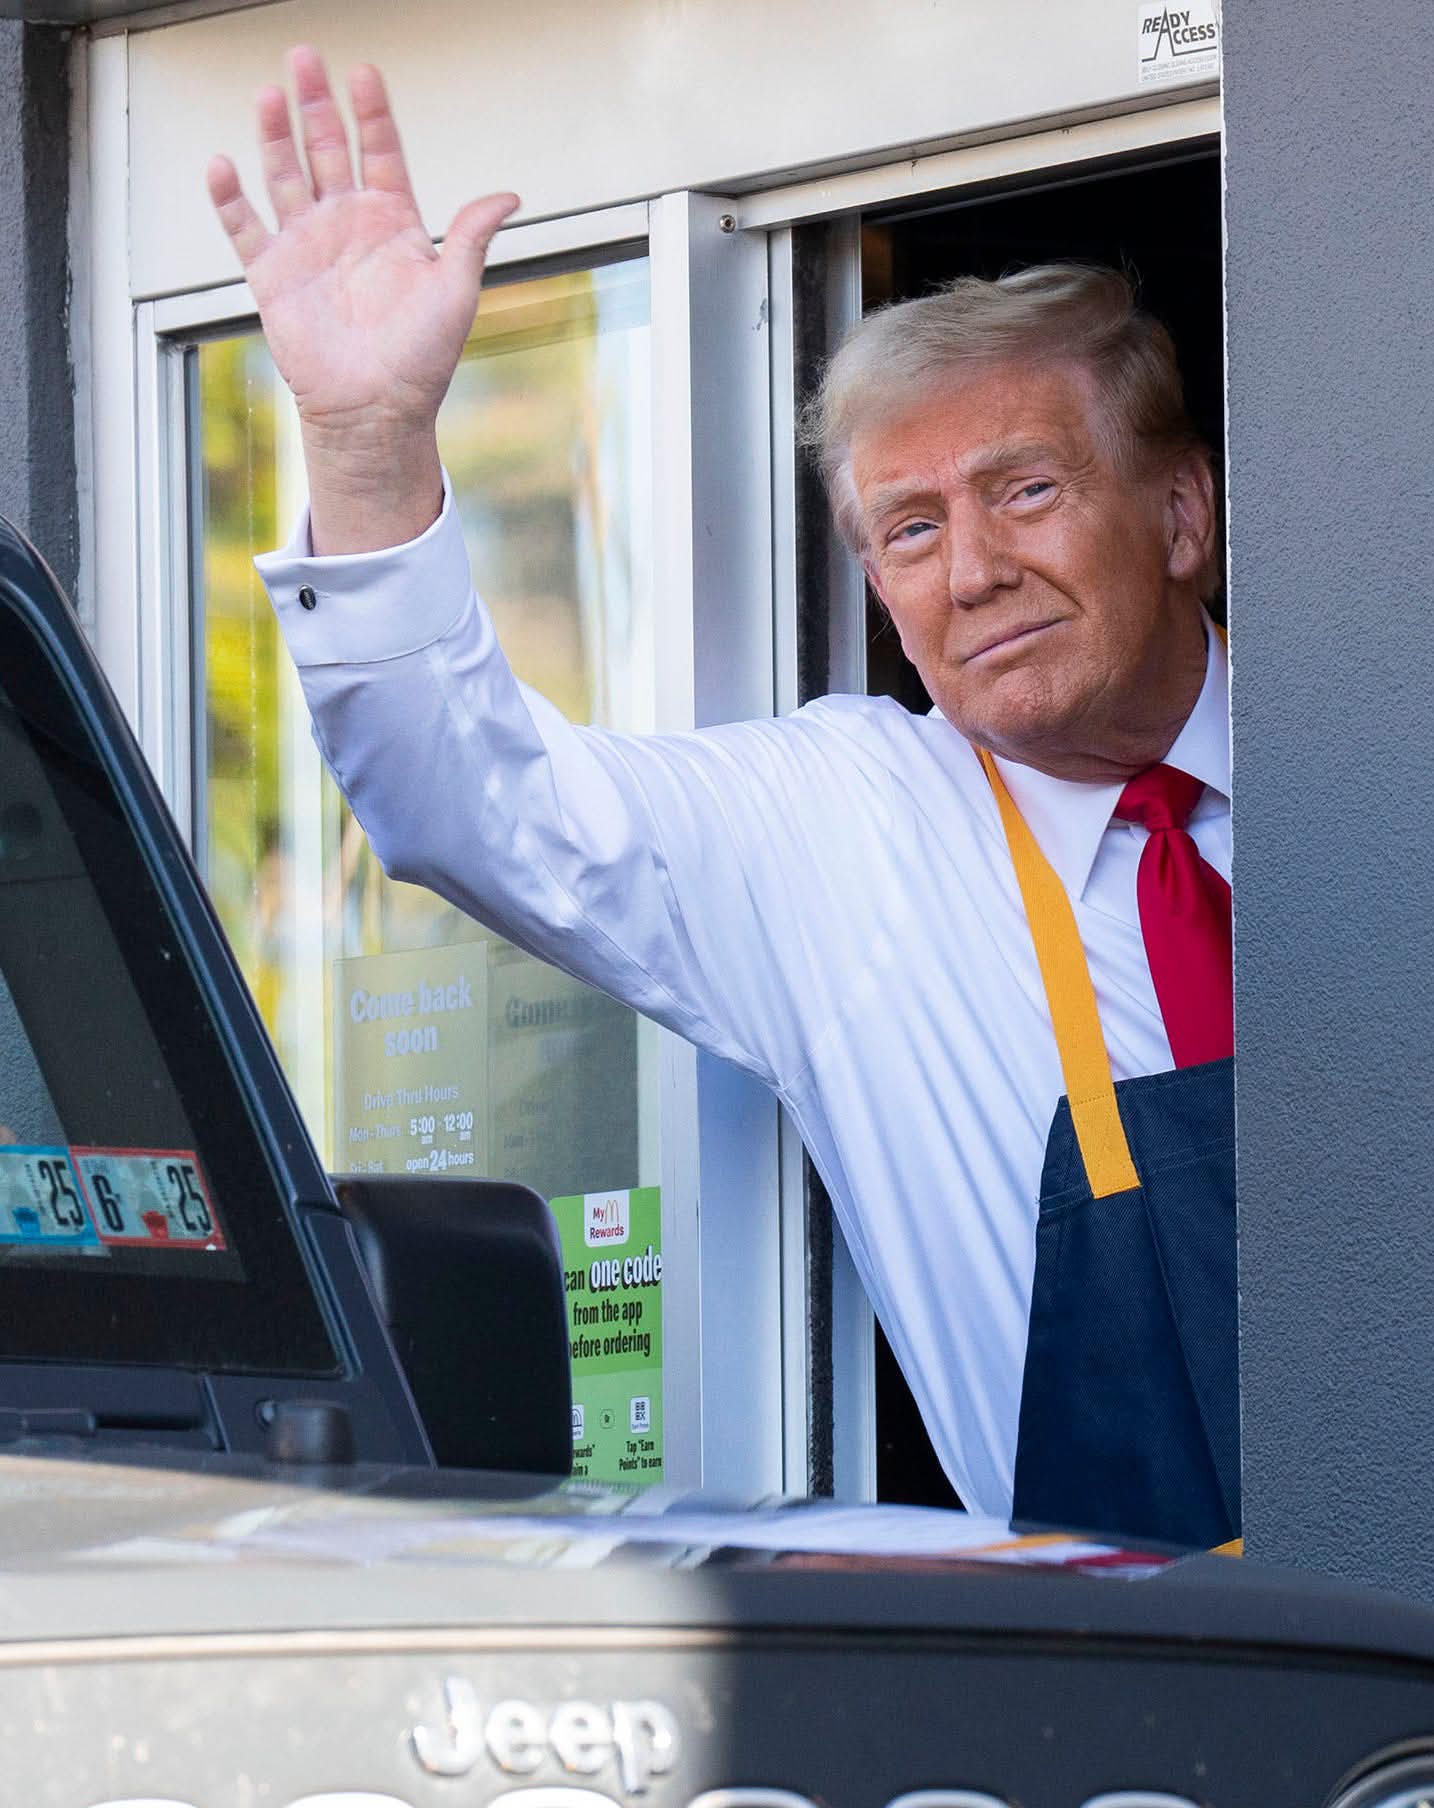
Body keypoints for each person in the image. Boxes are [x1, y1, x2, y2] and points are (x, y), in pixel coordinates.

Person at [209, 46, 1238, 1551]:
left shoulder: (1392, 770)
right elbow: (460, 796)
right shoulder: (841, 829)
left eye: (1023, 489)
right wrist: (369, 443)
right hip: (1161, 1694)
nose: (970, 571)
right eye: (907, 528)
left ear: (1179, 512)